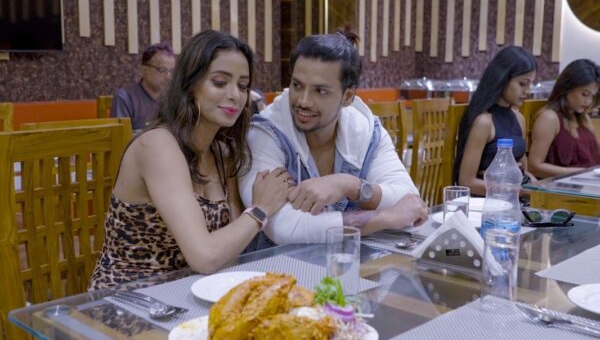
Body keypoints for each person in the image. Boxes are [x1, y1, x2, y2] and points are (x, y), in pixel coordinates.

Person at [89, 30, 290, 291]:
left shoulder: (222, 153)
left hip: (193, 291)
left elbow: (232, 250)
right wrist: (260, 210)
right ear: (189, 84)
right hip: (130, 298)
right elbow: (205, 256)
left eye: (242, 86)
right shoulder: (158, 145)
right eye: (219, 82)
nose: (235, 95)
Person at [238, 30, 428, 245]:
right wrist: (383, 218)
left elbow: (408, 199)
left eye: (320, 91)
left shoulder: (365, 129)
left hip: (350, 262)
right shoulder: (266, 132)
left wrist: (348, 185)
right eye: (297, 85)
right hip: (279, 270)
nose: (303, 101)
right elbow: (283, 227)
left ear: (347, 96)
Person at [454, 46, 537, 196]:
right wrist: (517, 191)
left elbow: (524, 170)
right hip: (487, 202)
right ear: (503, 79)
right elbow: (466, 182)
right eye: (522, 84)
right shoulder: (484, 122)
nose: (528, 91)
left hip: (514, 198)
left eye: (530, 84)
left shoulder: (519, 118)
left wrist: (538, 186)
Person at [529, 59, 600, 178]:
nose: (588, 102)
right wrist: (584, 174)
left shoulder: (583, 118)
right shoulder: (550, 118)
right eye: (584, 94)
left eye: (592, 96)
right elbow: (534, 166)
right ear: (567, 87)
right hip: (564, 189)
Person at [110, 42, 176, 130]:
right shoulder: (125, 98)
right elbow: (119, 137)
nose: (169, 77)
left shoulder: (175, 98)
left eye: (172, 71)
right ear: (144, 71)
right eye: (162, 70)